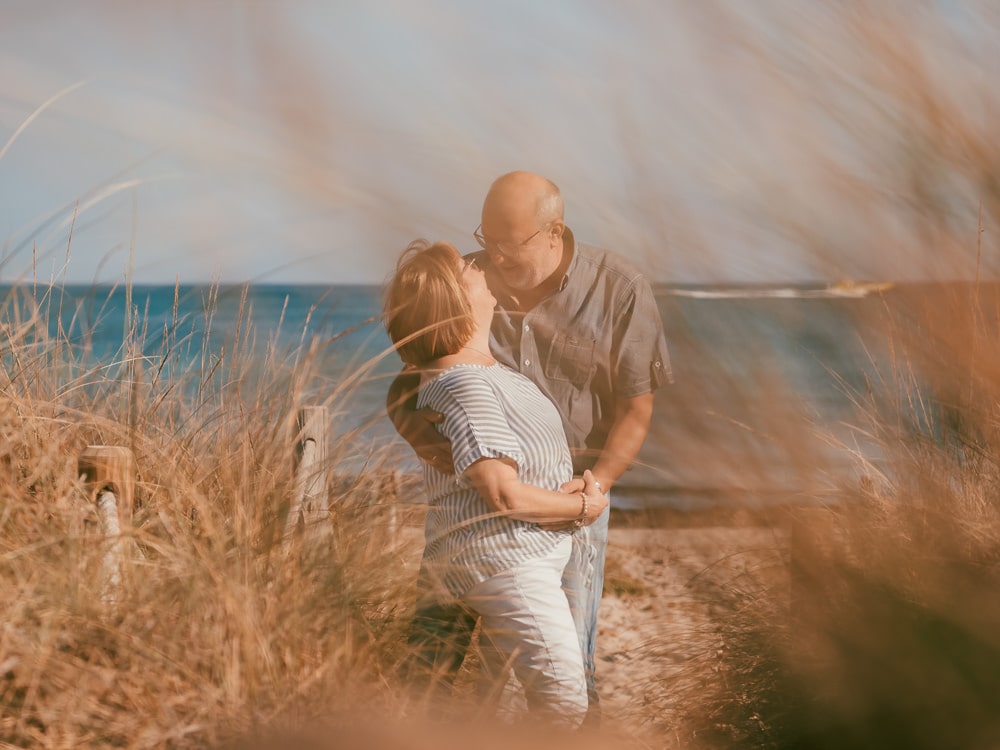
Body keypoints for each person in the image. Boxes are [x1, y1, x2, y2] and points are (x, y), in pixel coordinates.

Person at [387, 171, 671, 723]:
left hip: (567, 508)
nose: (491, 256)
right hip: (473, 517)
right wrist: (416, 429)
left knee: (564, 667)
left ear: (552, 232)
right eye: (484, 239)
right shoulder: (467, 280)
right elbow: (415, 370)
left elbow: (637, 408)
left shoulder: (619, 289)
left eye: (507, 246)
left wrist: (595, 491)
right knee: (434, 666)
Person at [382, 239, 609, 727]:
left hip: (516, 561)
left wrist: (560, 488)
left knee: (496, 713)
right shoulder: (467, 383)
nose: (481, 266)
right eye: (469, 268)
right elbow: (501, 492)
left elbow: (512, 475)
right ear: (456, 302)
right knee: (564, 706)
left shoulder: (480, 375)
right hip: (510, 566)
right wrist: (582, 510)